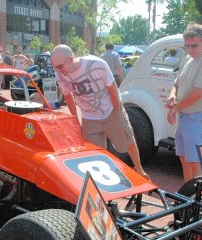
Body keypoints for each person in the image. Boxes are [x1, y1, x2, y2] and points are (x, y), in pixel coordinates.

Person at [51, 44, 148, 179]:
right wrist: (75, 120)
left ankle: (139, 169)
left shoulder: (97, 64)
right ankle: (99, 181)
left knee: (128, 141)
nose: (59, 71)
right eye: (55, 67)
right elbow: (68, 96)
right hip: (89, 117)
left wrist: (117, 112)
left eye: (60, 67)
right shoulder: (60, 74)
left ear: (71, 59)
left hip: (110, 110)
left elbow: (112, 88)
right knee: (93, 154)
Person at [166, 23, 202, 182]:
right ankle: (187, 196)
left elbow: (199, 92)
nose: (190, 49)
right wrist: (172, 96)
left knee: (195, 162)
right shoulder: (187, 59)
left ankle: (195, 200)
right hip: (185, 117)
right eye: (187, 46)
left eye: (194, 45)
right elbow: (176, 84)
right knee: (184, 159)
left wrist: (175, 107)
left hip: (198, 118)